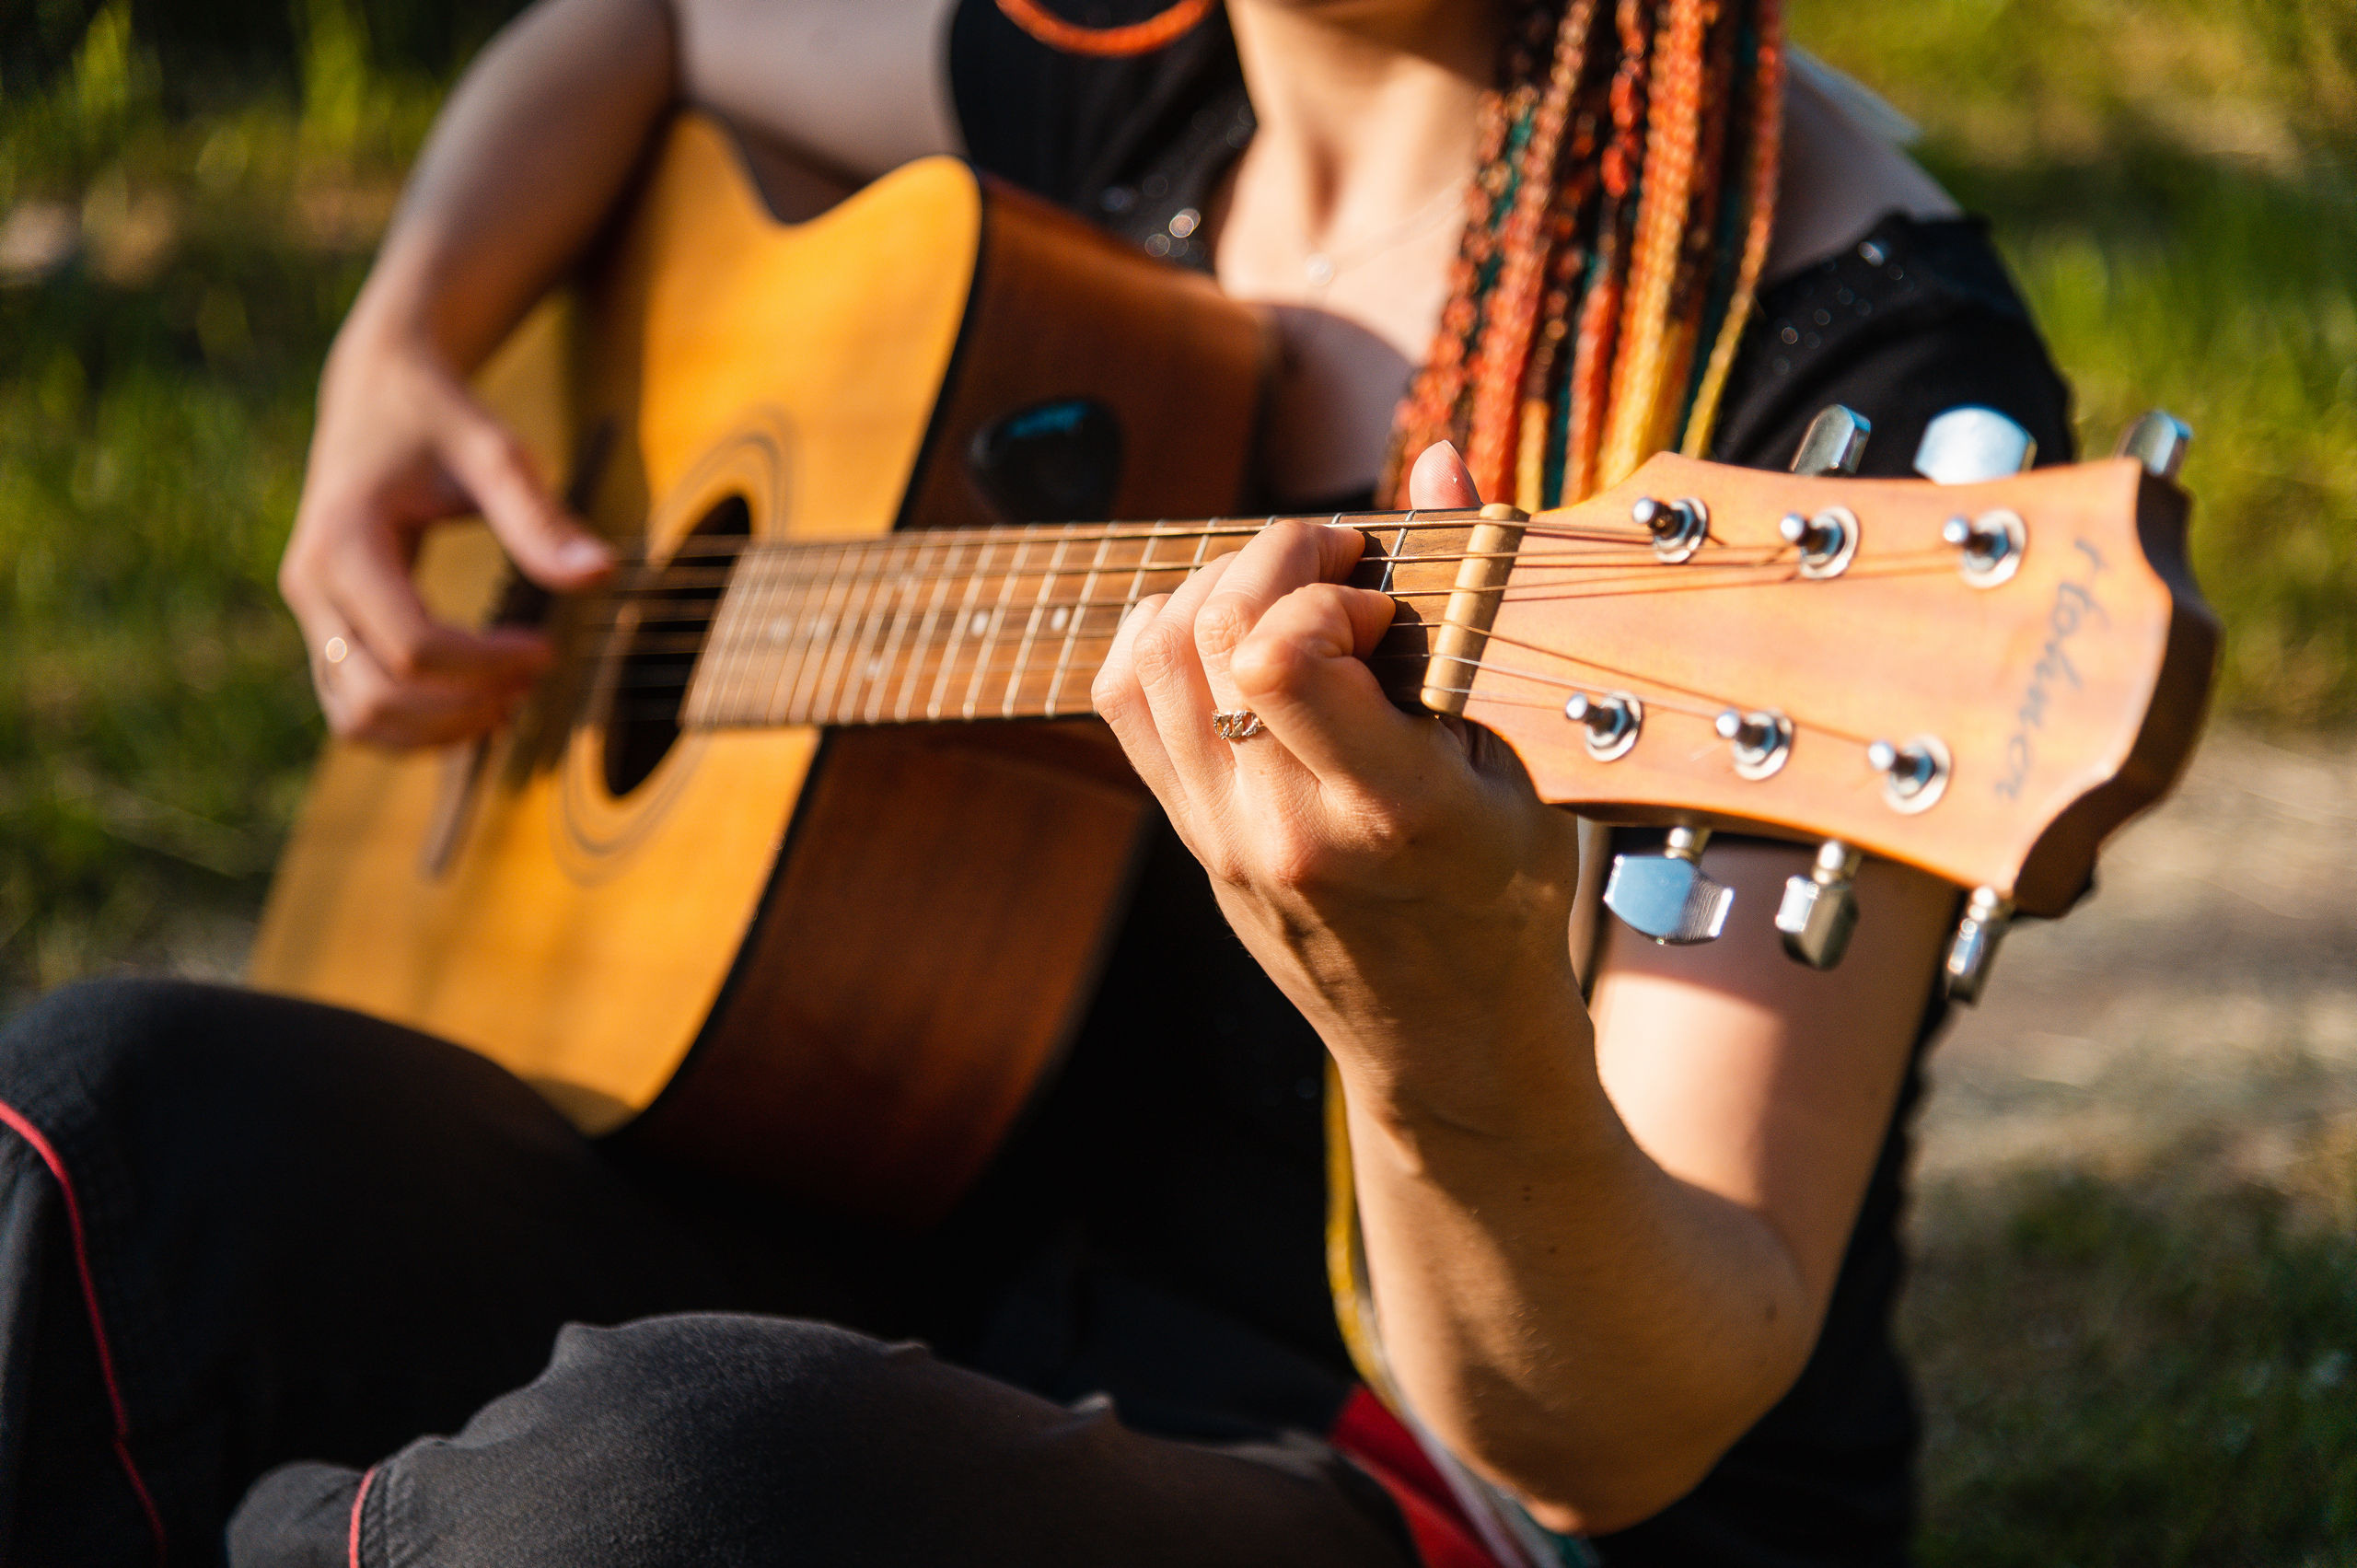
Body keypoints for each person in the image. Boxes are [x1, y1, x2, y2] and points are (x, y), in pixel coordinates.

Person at [0, 0, 2074, 1563]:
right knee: (78, 1135)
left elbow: (1621, 1425)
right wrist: (403, 338)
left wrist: (1434, 1006)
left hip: (1422, 1482)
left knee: (653, 1501)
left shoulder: (1836, 398)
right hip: (918, 1235)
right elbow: (629, 23)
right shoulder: (1130, 75)